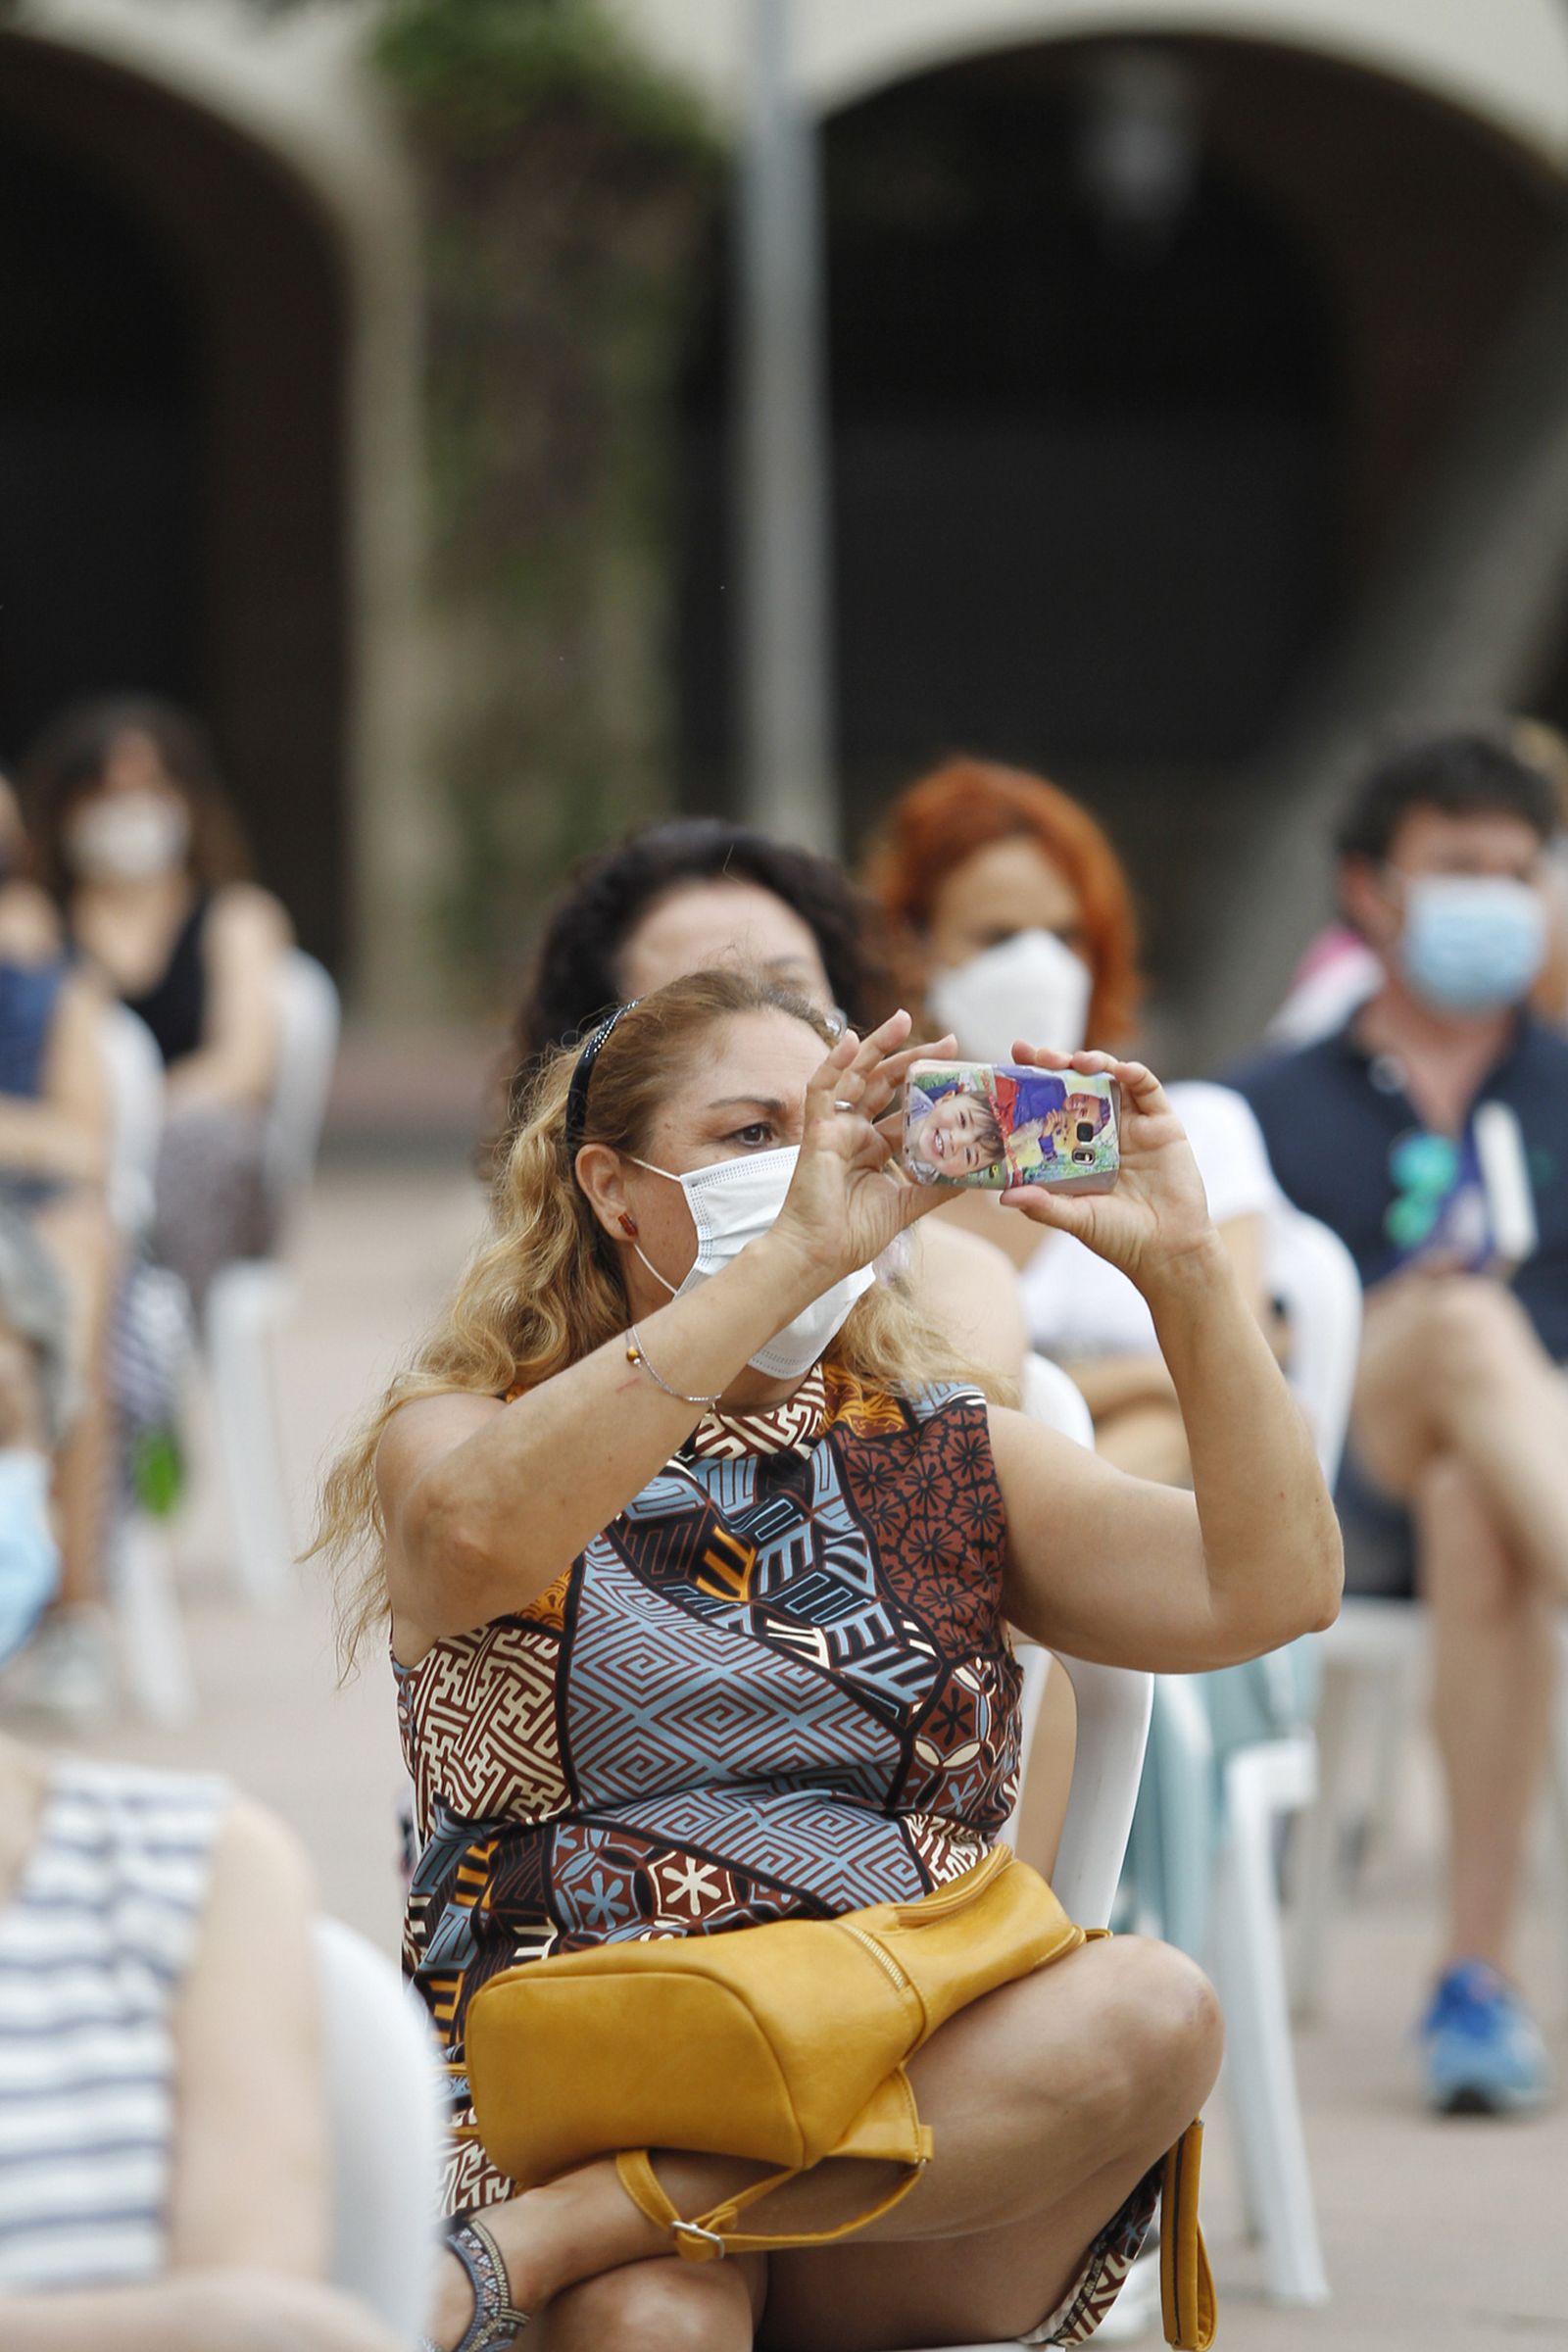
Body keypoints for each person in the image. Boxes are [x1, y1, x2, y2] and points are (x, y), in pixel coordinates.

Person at [316, 966, 1340, 2352]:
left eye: (834, 1131)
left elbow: (1273, 1587)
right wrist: (789, 1259)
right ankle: (611, 2228)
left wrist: (1189, 1273)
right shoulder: (466, 1431)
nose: (806, 1171)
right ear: (613, 1192)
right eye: (752, 1134)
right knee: (655, 2321)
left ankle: (567, 2234)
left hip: (906, 2132)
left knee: (1154, 2009)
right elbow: (474, 1538)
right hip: (590, 2079)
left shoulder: (948, 1450)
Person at [1229, 723, 1568, 2117]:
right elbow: (1248, 1341)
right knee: (1458, 1322)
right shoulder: (1267, 1105)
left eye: (1518, 870)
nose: (1498, 896)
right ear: (1370, 890)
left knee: (1480, 1496)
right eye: (1460, 867)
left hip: (1514, 1486)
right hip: (1343, 1484)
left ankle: (1475, 1978)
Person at [869, 758, 1282, 1487]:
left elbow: (1240, 1367)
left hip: (1145, 1493)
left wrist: (1044, 1392)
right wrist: (1148, 1376)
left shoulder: (1187, 1133)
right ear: (912, 947)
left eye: (1066, 935)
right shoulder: (881, 1160)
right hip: (962, 1487)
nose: (1040, 964)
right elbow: (885, 1396)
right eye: (998, 936)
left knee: (1175, 1426)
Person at [503, 817, 1030, 1384]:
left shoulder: (958, 1289)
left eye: (787, 989)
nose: (759, 1015)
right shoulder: (504, 1362)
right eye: (701, 994)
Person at [24, 699, 292, 1312]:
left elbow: (244, 1066)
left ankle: (163, 1332)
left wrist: (135, 1125)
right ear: (65, 810)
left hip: (194, 1167)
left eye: (148, 789)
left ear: (188, 801)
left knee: (212, 1136)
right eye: (105, 794)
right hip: (79, 1164)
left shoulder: (236, 919)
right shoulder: (37, 929)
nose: (127, 812)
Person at [0, 774, 119, 1712]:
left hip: (31, 1230)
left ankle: (70, 1612)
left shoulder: (49, 989)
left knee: (81, 1248)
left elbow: (84, 1146)